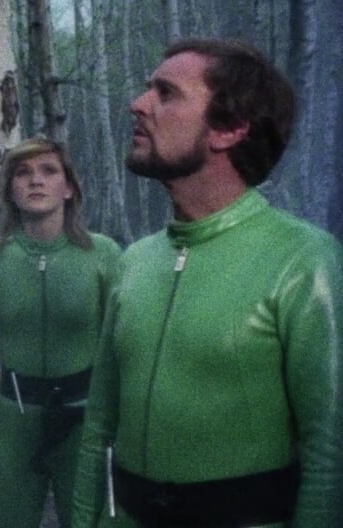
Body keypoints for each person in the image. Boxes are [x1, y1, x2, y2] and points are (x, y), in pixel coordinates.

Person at [71, 38, 343, 527]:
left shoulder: (305, 260)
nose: (138, 104)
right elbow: (98, 428)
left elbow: (331, 450)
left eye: (166, 93)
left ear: (230, 128)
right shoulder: (135, 261)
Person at [0, 138, 120, 527]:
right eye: (23, 173)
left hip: (85, 420)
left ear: (68, 188)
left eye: (48, 171)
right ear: (9, 190)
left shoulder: (103, 254)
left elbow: (121, 348)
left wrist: (123, 423)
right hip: (14, 421)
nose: (35, 180)